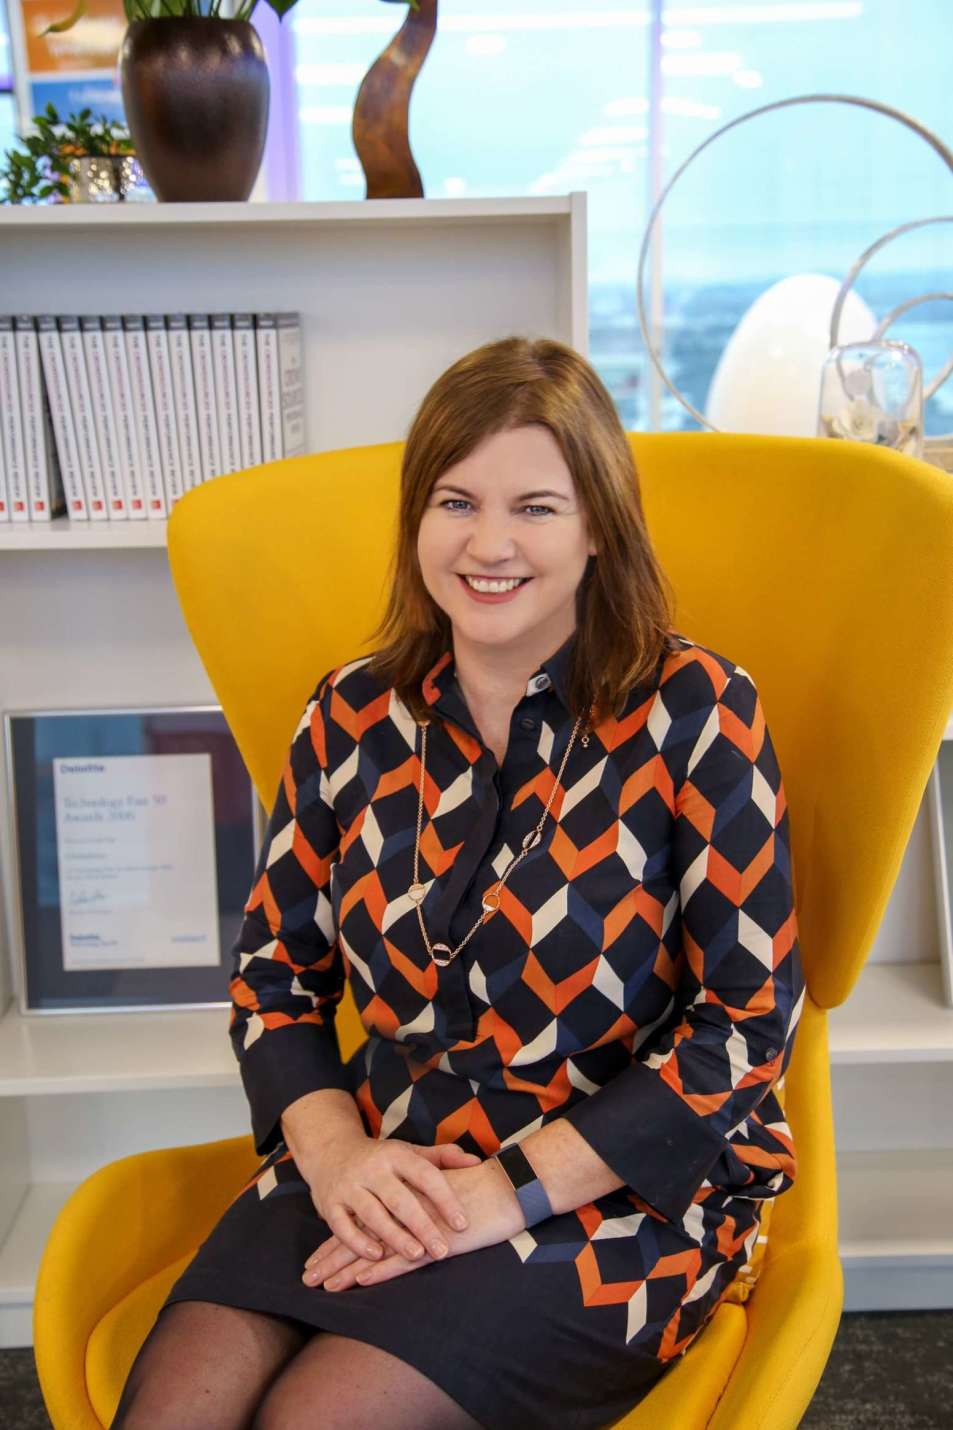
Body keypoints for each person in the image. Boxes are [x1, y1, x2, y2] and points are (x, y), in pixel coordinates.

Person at [111, 336, 805, 1430]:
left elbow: (744, 1025)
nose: (488, 543)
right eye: (454, 500)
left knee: (316, 1417)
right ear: (415, 521)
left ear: (596, 528)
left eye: (534, 506)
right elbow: (272, 976)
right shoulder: (345, 712)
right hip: (380, 1153)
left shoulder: (696, 710)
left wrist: (505, 1190)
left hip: (618, 1195)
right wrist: (336, 1152)